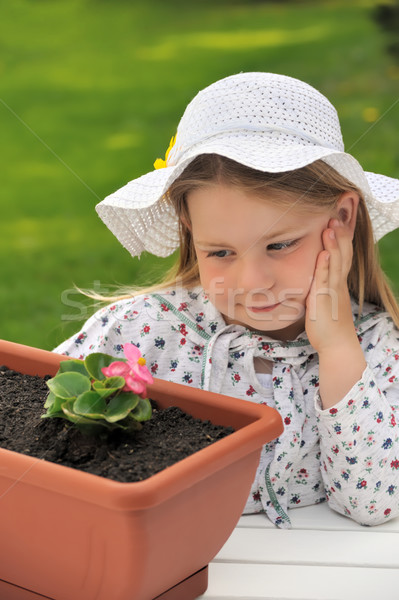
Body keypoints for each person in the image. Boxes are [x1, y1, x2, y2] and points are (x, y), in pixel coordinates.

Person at [54, 72, 399, 528]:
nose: (251, 281)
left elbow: (373, 504)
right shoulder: (137, 331)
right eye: (220, 253)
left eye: (280, 245)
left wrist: (337, 348)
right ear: (189, 230)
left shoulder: (376, 346)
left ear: (343, 216)